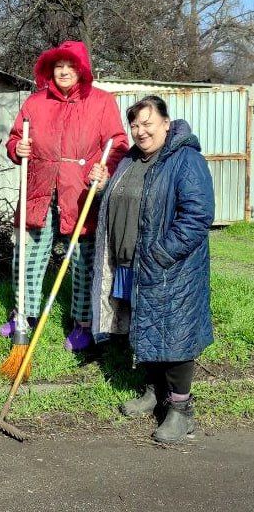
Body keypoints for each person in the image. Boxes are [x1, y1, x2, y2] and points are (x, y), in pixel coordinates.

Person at [91, 96, 214, 444]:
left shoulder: (185, 159)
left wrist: (160, 254)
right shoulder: (130, 160)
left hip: (169, 267)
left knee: (174, 337)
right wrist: (104, 187)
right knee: (142, 327)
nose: (140, 131)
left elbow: (197, 217)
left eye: (148, 123)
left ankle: (181, 410)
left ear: (166, 122)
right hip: (131, 263)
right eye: (135, 125)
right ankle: (154, 391)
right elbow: (126, 202)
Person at [4, 40, 128, 351]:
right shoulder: (35, 103)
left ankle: (83, 323)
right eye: (58, 66)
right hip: (39, 189)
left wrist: (106, 169)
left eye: (71, 65)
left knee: (83, 261)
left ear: (82, 69)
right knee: (28, 256)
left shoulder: (101, 102)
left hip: (80, 192)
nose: (64, 71)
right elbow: (16, 137)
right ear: (50, 69)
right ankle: (24, 316)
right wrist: (16, 149)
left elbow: (118, 144)